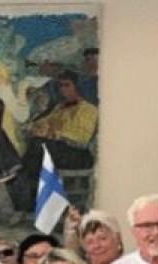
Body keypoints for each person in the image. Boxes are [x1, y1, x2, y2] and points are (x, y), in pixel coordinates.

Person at [11, 71, 98, 216]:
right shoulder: (60, 107)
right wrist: (35, 128)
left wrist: (53, 133)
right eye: (61, 86)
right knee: (34, 147)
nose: (63, 89)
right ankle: (29, 200)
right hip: (57, 150)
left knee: (36, 148)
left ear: (77, 86)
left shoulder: (89, 109)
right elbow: (41, 123)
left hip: (78, 155)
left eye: (67, 85)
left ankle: (29, 203)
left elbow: (80, 138)